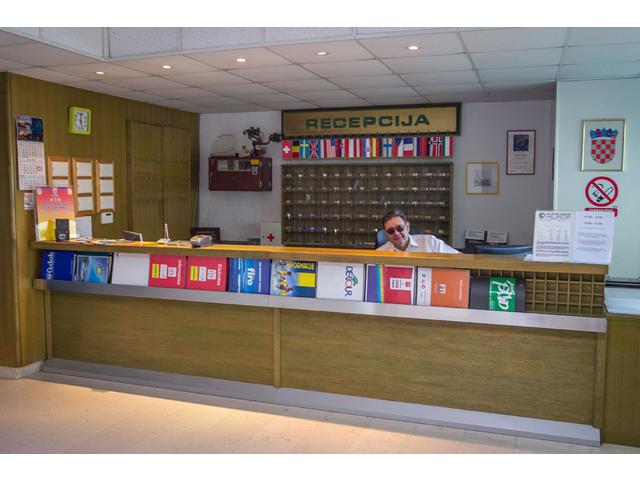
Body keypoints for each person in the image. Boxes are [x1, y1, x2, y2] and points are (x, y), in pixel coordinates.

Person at [377, 209, 460, 253]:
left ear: (407, 227)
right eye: (391, 231)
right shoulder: (380, 253)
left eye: (399, 228)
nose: (396, 233)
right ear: (386, 234)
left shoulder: (430, 243)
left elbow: (459, 258)